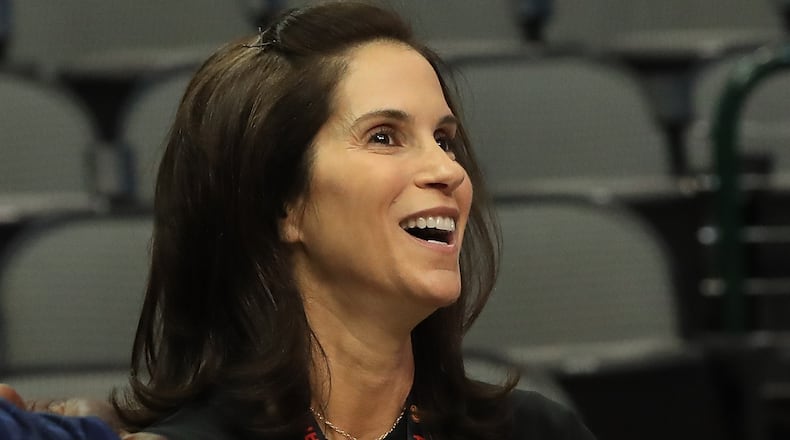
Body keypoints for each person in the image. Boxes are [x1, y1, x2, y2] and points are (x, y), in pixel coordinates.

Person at [2, 2, 595, 439]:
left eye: (444, 140)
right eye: (385, 136)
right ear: (279, 202)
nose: (447, 170)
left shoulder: (538, 431)